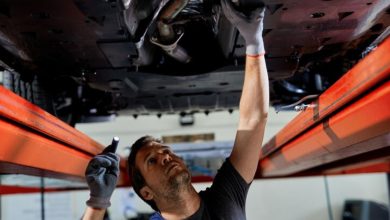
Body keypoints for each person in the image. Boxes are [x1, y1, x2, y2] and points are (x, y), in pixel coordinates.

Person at [82, 0, 269, 219]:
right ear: (146, 193)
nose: (166, 156)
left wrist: (97, 204)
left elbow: (252, 121)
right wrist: (254, 42)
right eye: (152, 160)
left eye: (166, 151)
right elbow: (255, 121)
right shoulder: (225, 200)